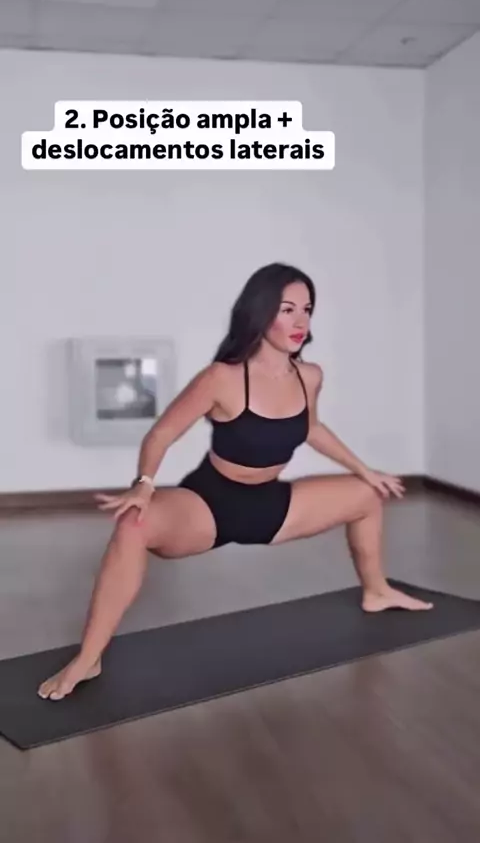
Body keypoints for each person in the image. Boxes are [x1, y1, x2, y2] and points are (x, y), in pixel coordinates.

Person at [38, 262, 432, 701]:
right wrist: (144, 484)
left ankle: (376, 591)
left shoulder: (309, 376)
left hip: (272, 505)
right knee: (133, 523)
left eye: (306, 309)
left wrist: (364, 470)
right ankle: (89, 657)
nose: (300, 321)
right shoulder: (222, 378)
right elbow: (163, 433)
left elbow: (311, 428)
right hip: (210, 504)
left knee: (367, 495)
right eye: (287, 309)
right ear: (261, 312)